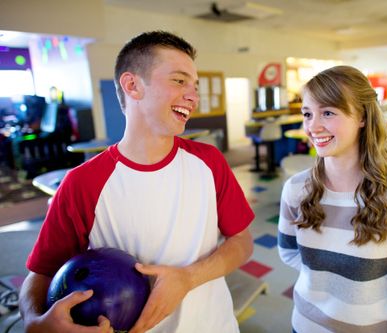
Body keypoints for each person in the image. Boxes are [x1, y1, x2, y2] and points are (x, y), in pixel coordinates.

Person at [19, 30, 254, 333]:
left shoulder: (209, 161)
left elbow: (242, 242)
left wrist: (188, 279)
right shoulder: (82, 183)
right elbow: (40, 274)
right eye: (179, 81)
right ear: (132, 85)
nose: (194, 96)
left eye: (194, 86)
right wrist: (33, 323)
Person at [278, 65, 387, 333]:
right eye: (307, 114)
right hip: (304, 325)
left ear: (362, 116)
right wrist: (328, 281)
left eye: (328, 112)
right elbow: (287, 251)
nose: (313, 126)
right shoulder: (296, 188)